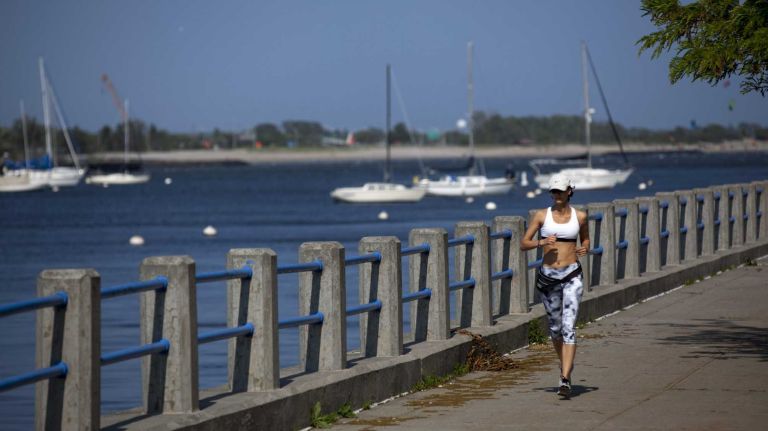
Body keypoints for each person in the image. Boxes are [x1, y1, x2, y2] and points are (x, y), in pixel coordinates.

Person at [520, 173, 589, 397]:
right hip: (548, 277)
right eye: (554, 191)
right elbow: (524, 243)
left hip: (572, 275)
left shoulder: (580, 216)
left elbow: (586, 239)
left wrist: (585, 247)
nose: (557, 195)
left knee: (569, 327)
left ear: (570, 191)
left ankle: (565, 378)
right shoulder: (542, 216)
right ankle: (565, 365)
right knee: (556, 329)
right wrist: (541, 241)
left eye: (561, 190)